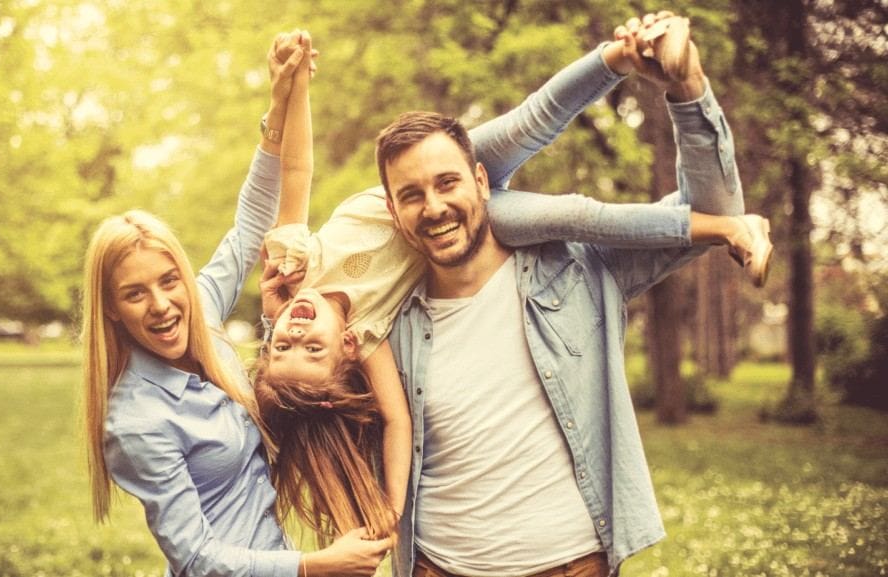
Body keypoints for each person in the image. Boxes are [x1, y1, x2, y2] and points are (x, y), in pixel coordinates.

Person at [252, 11, 772, 561]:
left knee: (538, 138)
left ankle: (618, 57)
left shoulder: (579, 273)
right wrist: (275, 323)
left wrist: (686, 85)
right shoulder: (380, 325)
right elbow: (309, 397)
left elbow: (710, 212)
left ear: (480, 179)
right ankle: (613, 62)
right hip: (438, 567)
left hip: (571, 566)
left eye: (449, 184)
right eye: (412, 197)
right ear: (396, 209)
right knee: (527, 148)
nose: (433, 208)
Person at [80, 33, 390, 577]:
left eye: (168, 281)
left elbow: (250, 226)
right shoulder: (136, 420)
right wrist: (314, 566)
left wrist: (279, 103)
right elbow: (195, 557)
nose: (162, 305)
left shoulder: (198, 308)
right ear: (111, 309)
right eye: (135, 293)